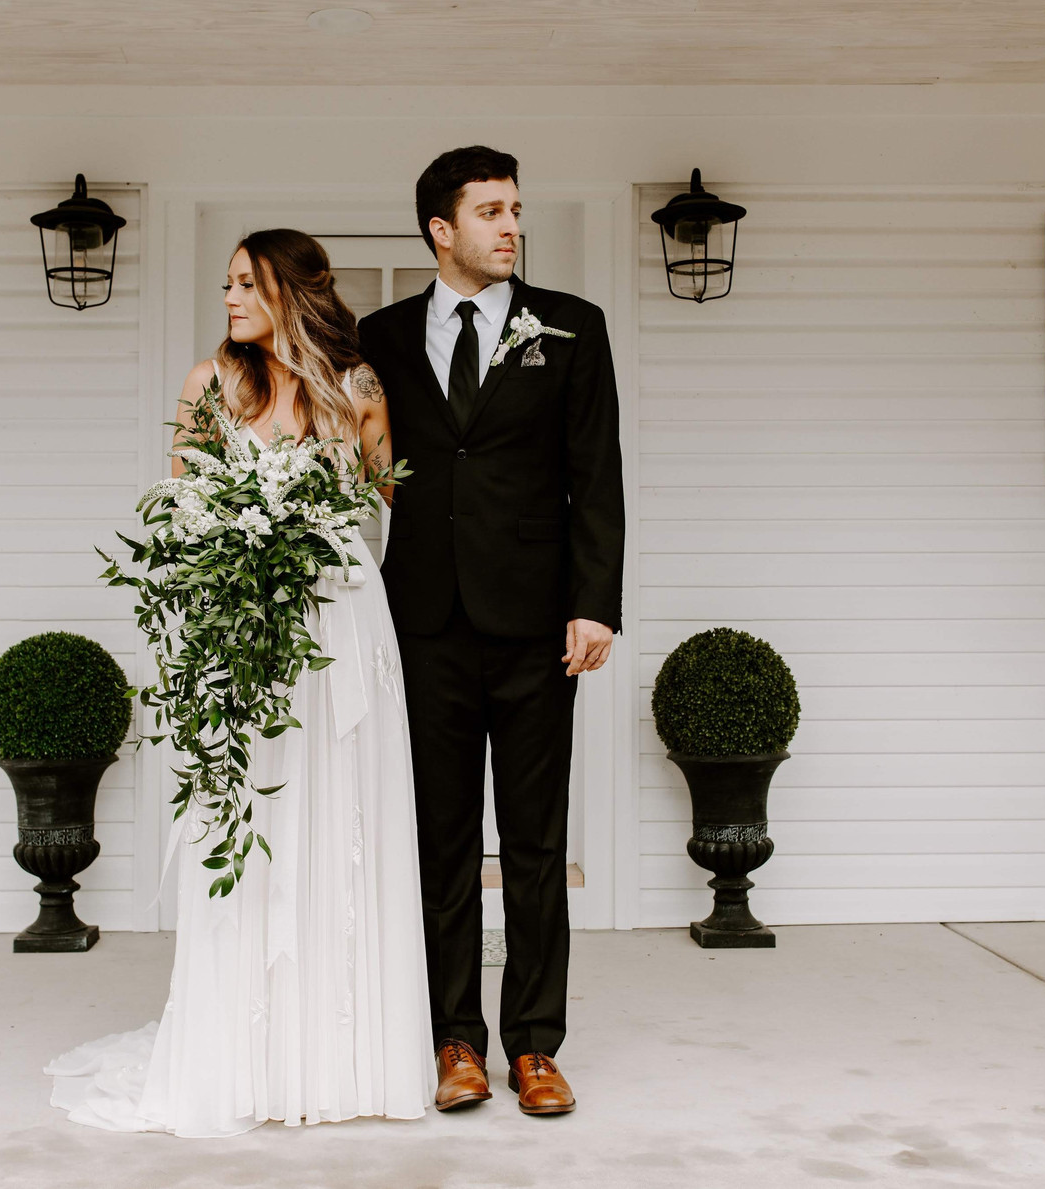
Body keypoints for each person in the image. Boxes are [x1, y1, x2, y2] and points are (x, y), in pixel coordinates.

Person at [45, 229, 436, 1137]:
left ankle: (348, 1055)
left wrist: (317, 547)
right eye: (225, 283)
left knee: (346, 827)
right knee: (254, 825)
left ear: (291, 293)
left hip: (343, 627)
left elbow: (385, 505)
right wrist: (238, 561)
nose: (227, 298)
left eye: (245, 283)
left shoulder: (360, 389)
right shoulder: (208, 384)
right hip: (247, 634)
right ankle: (249, 1055)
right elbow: (183, 506)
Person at [358, 146, 625, 1116]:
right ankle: (453, 1039)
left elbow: (595, 474)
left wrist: (596, 600)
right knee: (439, 840)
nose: (510, 226)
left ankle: (535, 1047)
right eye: (489, 212)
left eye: (516, 210)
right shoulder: (379, 335)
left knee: (535, 843)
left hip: (533, 627)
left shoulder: (572, 328)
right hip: (421, 623)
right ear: (441, 229)